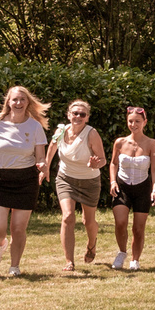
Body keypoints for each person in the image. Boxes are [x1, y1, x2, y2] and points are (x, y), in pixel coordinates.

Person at [0, 85, 50, 277]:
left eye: (22, 100)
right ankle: (1, 243)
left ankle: (14, 266)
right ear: (8, 102)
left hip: (25, 181)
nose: (18, 103)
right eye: (14, 100)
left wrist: (42, 165)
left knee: (18, 228)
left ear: (28, 103)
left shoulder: (35, 126)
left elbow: (40, 156)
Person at [46, 98, 106, 272]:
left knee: (88, 221)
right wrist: (45, 168)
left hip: (89, 182)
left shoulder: (91, 133)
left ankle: (91, 244)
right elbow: (52, 148)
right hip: (65, 179)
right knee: (67, 217)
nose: (78, 117)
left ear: (87, 117)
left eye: (82, 114)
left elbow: (102, 159)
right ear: (68, 114)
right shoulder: (61, 130)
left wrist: (96, 163)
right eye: (75, 113)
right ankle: (69, 261)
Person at [109, 104, 155, 272]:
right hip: (122, 187)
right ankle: (122, 252)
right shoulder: (120, 142)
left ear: (145, 122)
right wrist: (112, 182)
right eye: (130, 121)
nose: (133, 124)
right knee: (120, 222)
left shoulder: (152, 143)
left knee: (138, 228)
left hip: (142, 188)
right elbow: (113, 163)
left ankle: (135, 260)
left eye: (137, 121)